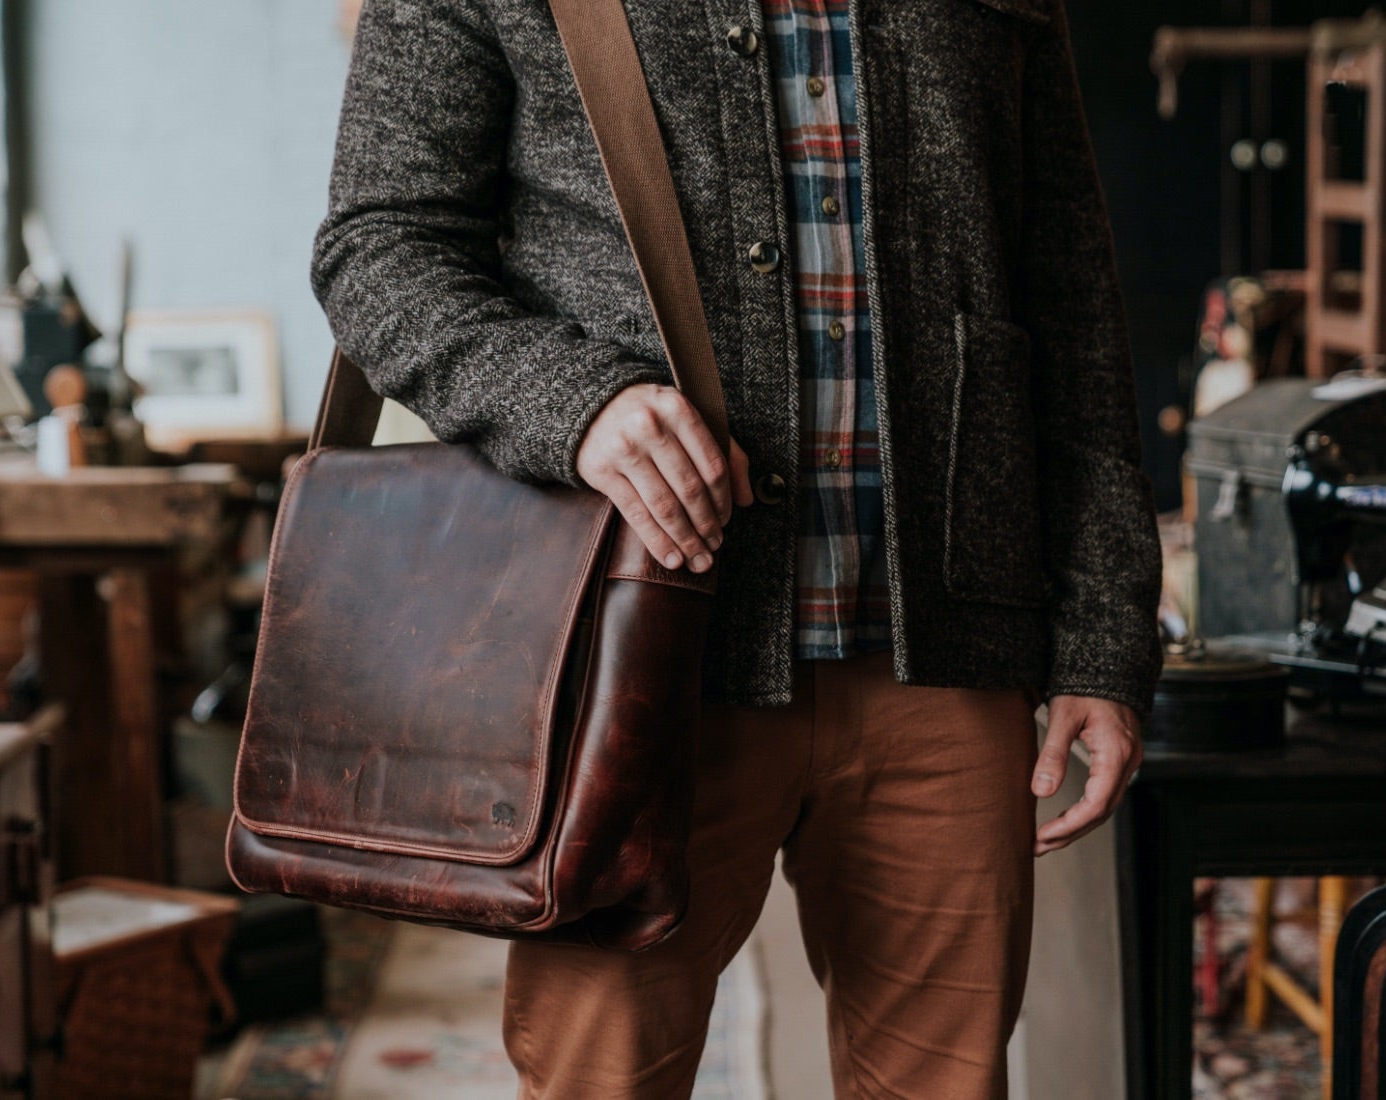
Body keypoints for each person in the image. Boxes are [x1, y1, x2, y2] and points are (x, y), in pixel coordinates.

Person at [313, 0, 1161, 1094]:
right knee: (600, 1074)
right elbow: (379, 246)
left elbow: (1072, 302)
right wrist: (580, 405)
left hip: (947, 652)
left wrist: (1102, 633)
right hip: (638, 649)